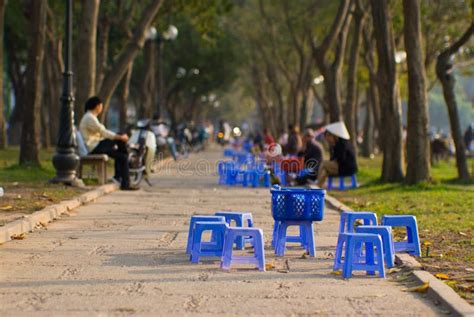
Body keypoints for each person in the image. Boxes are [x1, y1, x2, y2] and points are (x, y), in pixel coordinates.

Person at [79, 96, 138, 190]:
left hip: (97, 145)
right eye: (101, 105)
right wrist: (120, 137)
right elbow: (103, 132)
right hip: (94, 147)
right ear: (97, 106)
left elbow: (101, 134)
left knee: (122, 156)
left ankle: (123, 182)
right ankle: (122, 180)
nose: (102, 108)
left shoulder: (91, 117)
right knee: (120, 137)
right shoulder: (89, 117)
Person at [317, 122, 357, 188]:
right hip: (340, 166)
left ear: (333, 136)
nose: (327, 139)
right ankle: (318, 186)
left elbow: (341, 159)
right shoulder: (334, 145)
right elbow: (333, 159)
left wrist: (332, 160)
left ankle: (317, 182)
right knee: (325, 170)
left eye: (327, 136)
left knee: (323, 164)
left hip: (347, 168)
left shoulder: (342, 144)